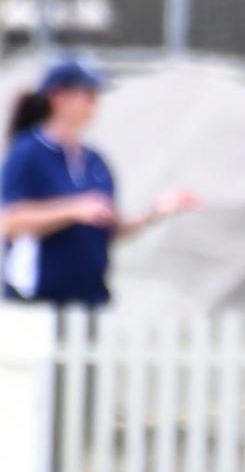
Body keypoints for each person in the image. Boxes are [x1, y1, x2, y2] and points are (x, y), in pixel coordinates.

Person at [0, 59, 198, 305]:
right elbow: (9, 222)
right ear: (58, 96)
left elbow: (106, 231)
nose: (95, 103)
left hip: (90, 300)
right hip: (38, 301)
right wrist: (73, 210)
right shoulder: (28, 152)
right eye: (88, 94)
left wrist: (153, 213)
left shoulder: (95, 160)